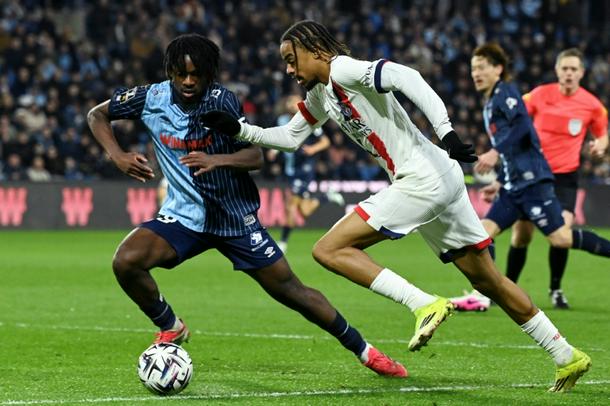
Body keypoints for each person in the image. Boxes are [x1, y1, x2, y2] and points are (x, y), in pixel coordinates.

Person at [199, 21, 591, 392]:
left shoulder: (344, 69)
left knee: (328, 249)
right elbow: (289, 137)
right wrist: (239, 129)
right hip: (440, 177)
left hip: (422, 178)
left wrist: (446, 131)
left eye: (291, 59)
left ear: (315, 50)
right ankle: (566, 355)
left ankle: (423, 303)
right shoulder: (320, 94)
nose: (288, 70)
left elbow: (408, 78)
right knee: (488, 281)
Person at [86, 33, 407, 378]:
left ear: (209, 74)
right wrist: (117, 155)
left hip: (234, 219)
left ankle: (365, 351)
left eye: (196, 74)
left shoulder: (222, 101)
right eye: (181, 74)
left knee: (291, 291)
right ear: (170, 72)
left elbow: (255, 157)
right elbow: (96, 115)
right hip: (183, 217)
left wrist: (217, 160)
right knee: (126, 261)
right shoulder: (150, 98)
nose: (189, 81)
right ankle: (170, 325)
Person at [476, 48, 608, 309]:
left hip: (564, 178)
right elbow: (517, 127)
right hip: (528, 175)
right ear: (557, 70)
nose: (569, 73)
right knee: (521, 236)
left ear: (582, 73)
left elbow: (602, 134)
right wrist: (502, 179)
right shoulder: (537, 95)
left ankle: (555, 288)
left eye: (574, 69)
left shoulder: (592, 105)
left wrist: (600, 146)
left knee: (561, 236)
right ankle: (507, 289)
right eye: (565, 68)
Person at [271, 94, 345, 253]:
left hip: (304, 169)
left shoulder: (309, 120)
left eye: (293, 101)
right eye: (289, 101)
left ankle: (283, 243)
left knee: (291, 206)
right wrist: (274, 150)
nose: (290, 103)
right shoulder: (282, 120)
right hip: (290, 169)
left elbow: (325, 142)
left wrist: (312, 149)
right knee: (304, 211)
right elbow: (281, 138)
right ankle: (327, 197)